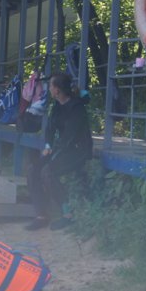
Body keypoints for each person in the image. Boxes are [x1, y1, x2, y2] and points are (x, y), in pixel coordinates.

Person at [25, 72, 93, 231]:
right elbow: (49, 130)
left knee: (48, 172)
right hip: (61, 149)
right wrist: (48, 147)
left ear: (57, 90)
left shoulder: (77, 108)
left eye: (51, 86)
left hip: (78, 151)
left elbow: (70, 135)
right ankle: (41, 215)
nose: (48, 89)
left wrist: (53, 152)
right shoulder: (56, 106)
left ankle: (68, 214)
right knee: (32, 169)